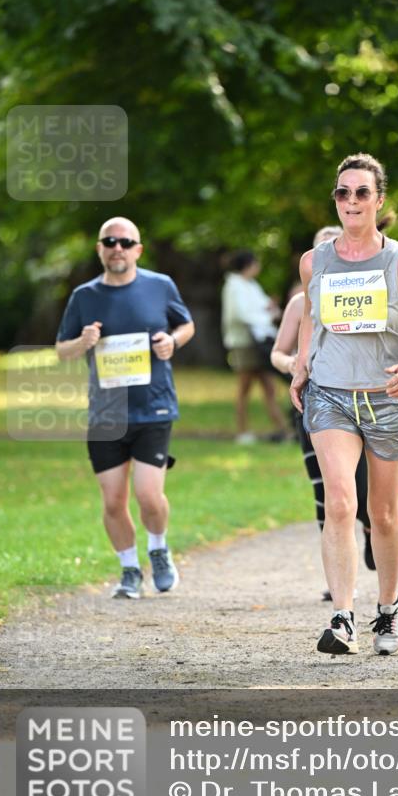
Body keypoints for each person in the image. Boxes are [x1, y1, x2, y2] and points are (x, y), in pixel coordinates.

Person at [290, 153, 398, 656]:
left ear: (379, 200)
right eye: (342, 192)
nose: (351, 201)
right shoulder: (315, 260)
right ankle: (341, 618)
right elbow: (313, 315)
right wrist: (302, 364)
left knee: (383, 511)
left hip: (389, 397)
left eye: (361, 192)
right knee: (339, 502)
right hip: (331, 394)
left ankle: (389, 609)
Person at [56, 217, 195, 600]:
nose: (117, 247)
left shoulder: (159, 285)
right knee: (113, 500)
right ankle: (130, 569)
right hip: (107, 414)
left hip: (154, 407)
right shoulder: (84, 296)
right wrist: (83, 341)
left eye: (125, 241)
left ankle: (159, 549)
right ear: (100, 248)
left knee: (149, 495)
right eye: (109, 241)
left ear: (138, 249)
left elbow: (186, 326)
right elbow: (61, 349)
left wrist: (172, 341)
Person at [271, 226, 376, 599]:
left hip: (362, 400)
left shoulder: (369, 293)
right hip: (314, 401)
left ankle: (368, 530)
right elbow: (278, 352)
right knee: (326, 492)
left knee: (361, 491)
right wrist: (296, 364)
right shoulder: (301, 303)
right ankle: (336, 580)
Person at [221, 250, 289, 444]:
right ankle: (242, 431)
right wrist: (268, 315)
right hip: (243, 343)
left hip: (261, 343)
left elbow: (264, 306)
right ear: (249, 265)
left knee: (269, 386)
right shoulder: (234, 286)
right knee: (245, 388)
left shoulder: (251, 285)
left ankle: (282, 429)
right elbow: (241, 314)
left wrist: (271, 309)